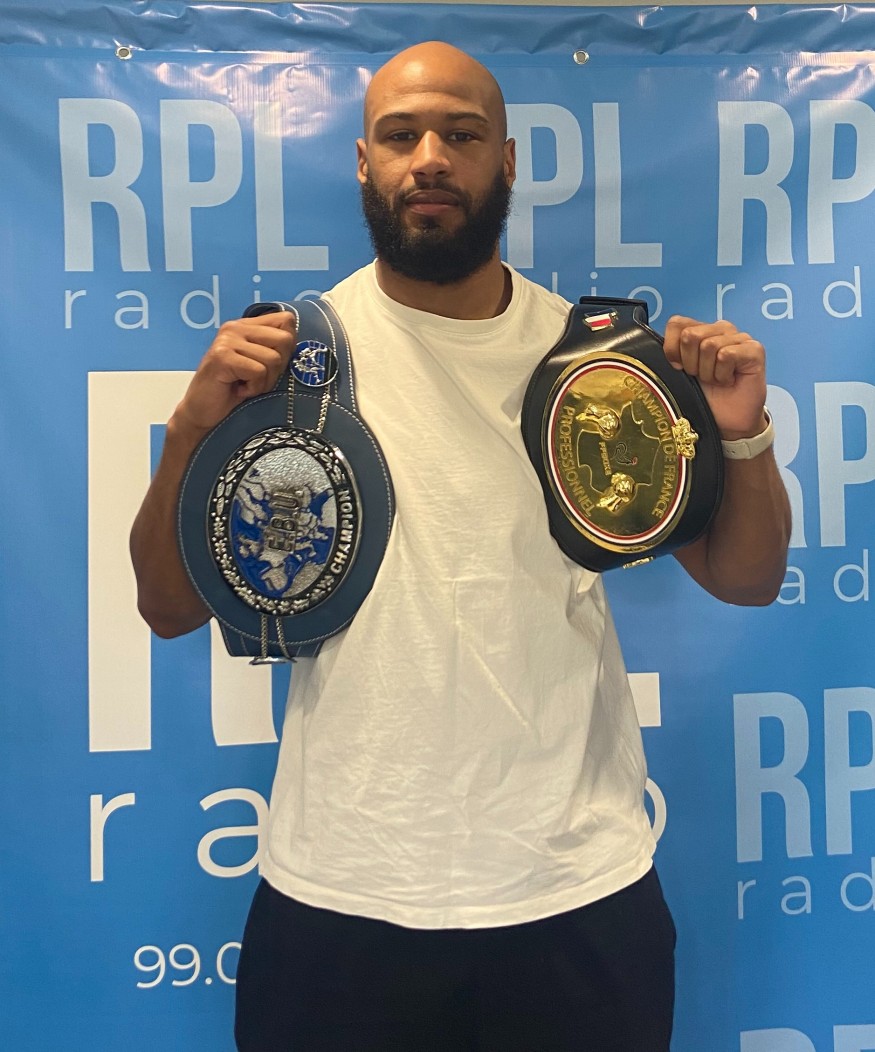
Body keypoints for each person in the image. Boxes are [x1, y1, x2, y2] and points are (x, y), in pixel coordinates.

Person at [130, 41, 791, 1052]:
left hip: (574, 890)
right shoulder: (289, 363)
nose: (430, 157)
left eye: (461, 134)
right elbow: (168, 607)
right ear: (364, 162)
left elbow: (745, 579)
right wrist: (189, 431)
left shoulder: (598, 365)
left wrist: (741, 435)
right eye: (401, 136)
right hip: (340, 893)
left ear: (507, 160)